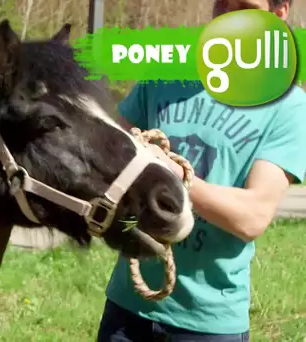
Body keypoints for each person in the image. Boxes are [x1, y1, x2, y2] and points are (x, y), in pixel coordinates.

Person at [97, 0, 306, 341]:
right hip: (127, 310)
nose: (227, 15)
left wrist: (169, 174)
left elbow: (252, 216)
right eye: (222, 3)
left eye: (243, 6)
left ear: (279, 13)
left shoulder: (289, 107)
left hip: (208, 325)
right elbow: (110, 153)